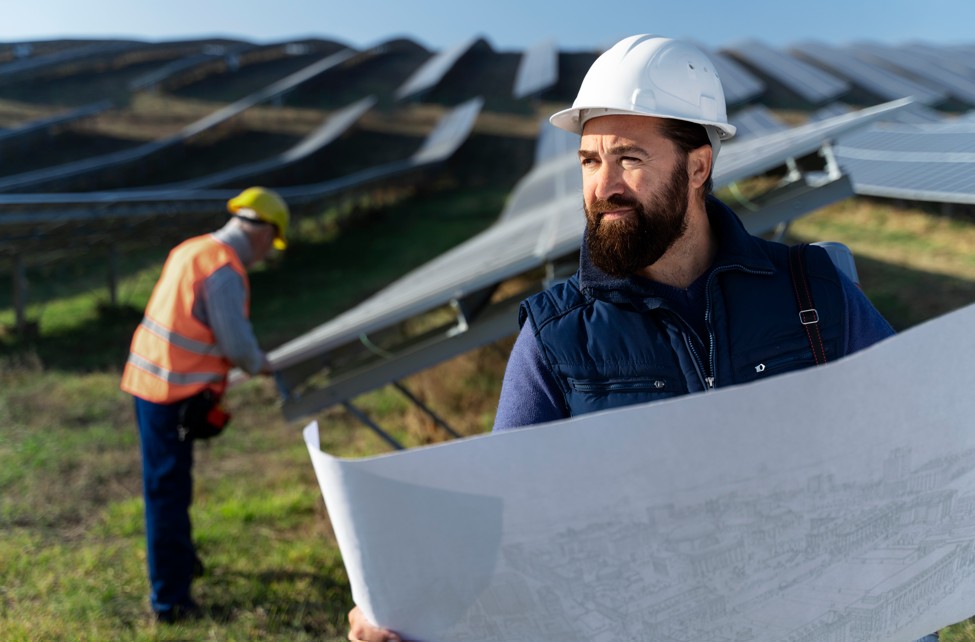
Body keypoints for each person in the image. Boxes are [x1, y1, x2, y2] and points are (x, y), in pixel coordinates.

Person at [347, 35, 912, 641]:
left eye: (630, 159)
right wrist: (412, 611)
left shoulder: (814, 291)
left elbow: (919, 438)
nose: (604, 185)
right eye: (590, 161)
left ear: (699, 166)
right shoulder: (555, 337)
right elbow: (502, 529)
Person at [120, 186, 289, 623]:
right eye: (273, 244)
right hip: (172, 394)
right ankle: (170, 600)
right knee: (168, 493)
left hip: (149, 382)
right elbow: (236, 346)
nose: (268, 254)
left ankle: (180, 563)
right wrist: (261, 364)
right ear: (265, 232)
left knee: (172, 486)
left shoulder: (191, 249)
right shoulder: (224, 270)